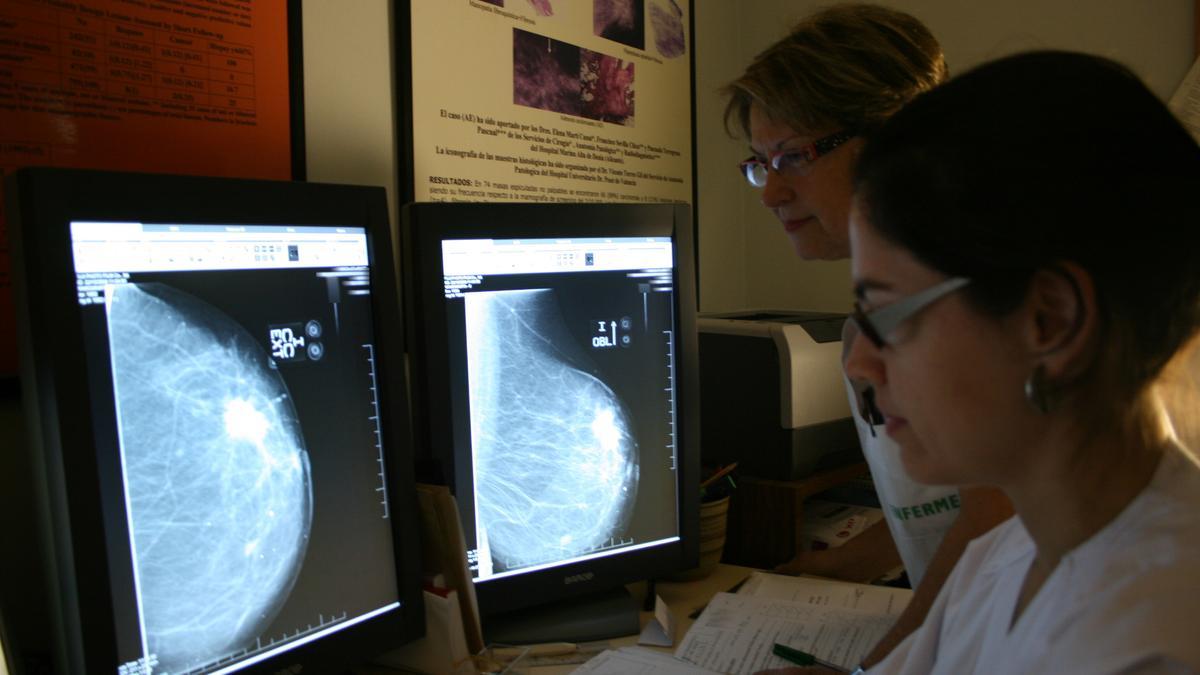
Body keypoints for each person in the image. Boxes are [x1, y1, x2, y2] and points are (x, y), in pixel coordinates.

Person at [831, 49, 1200, 673]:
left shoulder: (1152, 645)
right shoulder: (1007, 554)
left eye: (886, 315)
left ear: (1049, 320)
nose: (861, 364)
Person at [721, 3, 1013, 665]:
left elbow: (994, 518)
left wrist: (877, 663)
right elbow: (945, 507)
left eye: (792, 156)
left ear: (893, 137)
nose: (770, 192)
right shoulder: (882, 313)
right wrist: (848, 561)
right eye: (761, 162)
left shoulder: (970, 311)